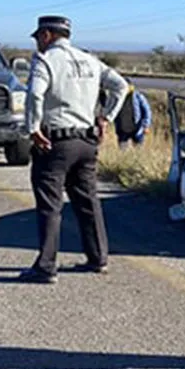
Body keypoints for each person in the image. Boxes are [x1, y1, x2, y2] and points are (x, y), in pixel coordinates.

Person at [19, 15, 129, 284]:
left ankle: (46, 267)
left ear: (46, 35)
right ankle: (98, 257)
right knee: (87, 201)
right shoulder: (90, 60)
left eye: (38, 38)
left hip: (55, 141)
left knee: (50, 204)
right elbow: (121, 86)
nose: (37, 44)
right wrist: (106, 118)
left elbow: (34, 94)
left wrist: (33, 128)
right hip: (86, 142)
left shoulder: (45, 61)